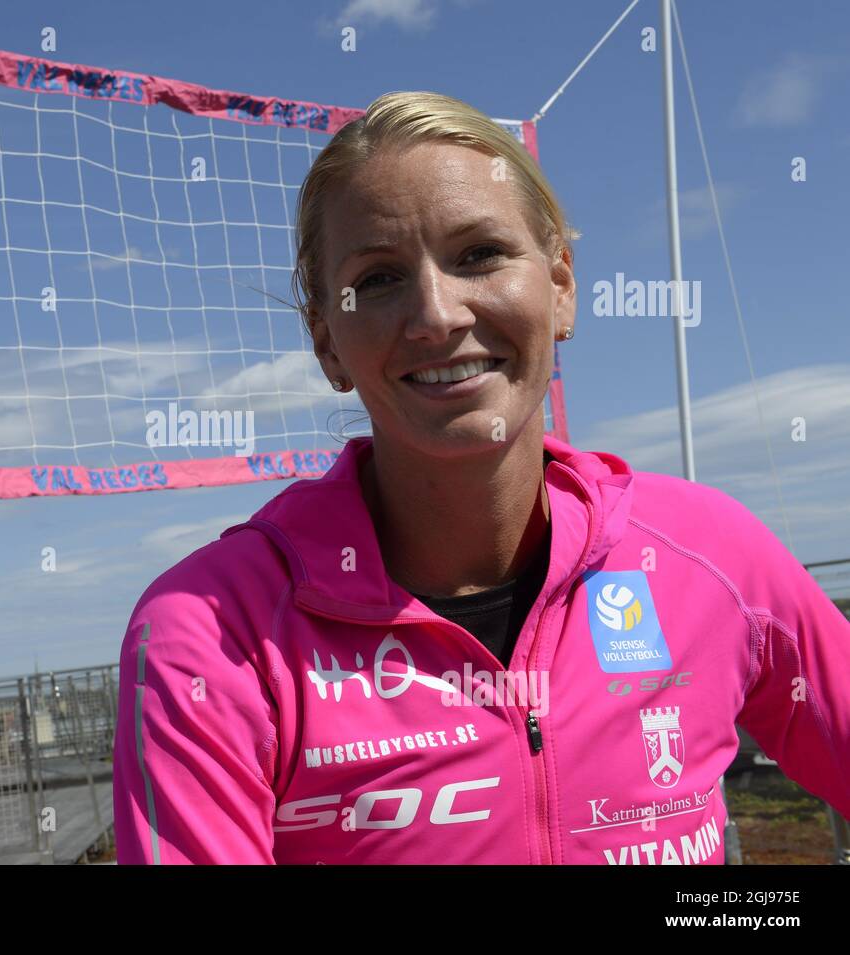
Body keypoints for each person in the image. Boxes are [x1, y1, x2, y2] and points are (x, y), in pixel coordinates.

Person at [112, 90, 850, 864]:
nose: (437, 315)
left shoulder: (710, 553)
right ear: (327, 340)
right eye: (382, 278)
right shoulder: (209, 635)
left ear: (560, 286)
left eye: (479, 255)